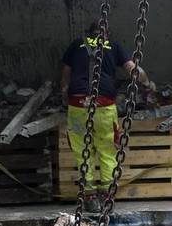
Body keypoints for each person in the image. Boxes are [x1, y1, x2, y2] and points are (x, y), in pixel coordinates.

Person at [61, 23, 155, 209]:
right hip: (103, 105)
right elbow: (135, 70)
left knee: (82, 150)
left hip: (77, 104)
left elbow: (65, 75)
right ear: (108, 32)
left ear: (89, 33)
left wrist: (64, 97)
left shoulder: (76, 43)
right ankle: (107, 195)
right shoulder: (113, 44)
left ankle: (88, 196)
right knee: (107, 150)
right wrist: (148, 85)